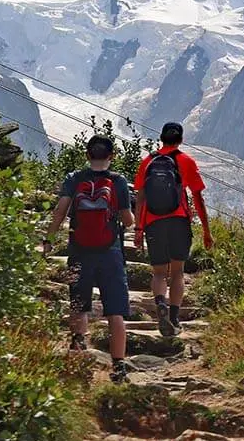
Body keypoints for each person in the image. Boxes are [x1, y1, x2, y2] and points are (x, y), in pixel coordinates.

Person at [45, 135, 134, 384]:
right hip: (111, 252)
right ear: (111, 156)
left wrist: (48, 240)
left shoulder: (74, 179)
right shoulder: (118, 182)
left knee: (79, 304)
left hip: (78, 250)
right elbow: (127, 220)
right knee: (115, 312)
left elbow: (60, 211)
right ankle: (118, 367)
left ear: (87, 154)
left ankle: (77, 358)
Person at [134, 122, 213, 337]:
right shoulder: (186, 161)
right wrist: (206, 230)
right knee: (177, 271)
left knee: (159, 272)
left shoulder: (148, 162)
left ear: (161, 138)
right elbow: (198, 197)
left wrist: (139, 228)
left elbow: (140, 197)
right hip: (179, 221)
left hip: (153, 222)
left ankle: (161, 303)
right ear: (180, 139)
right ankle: (175, 317)